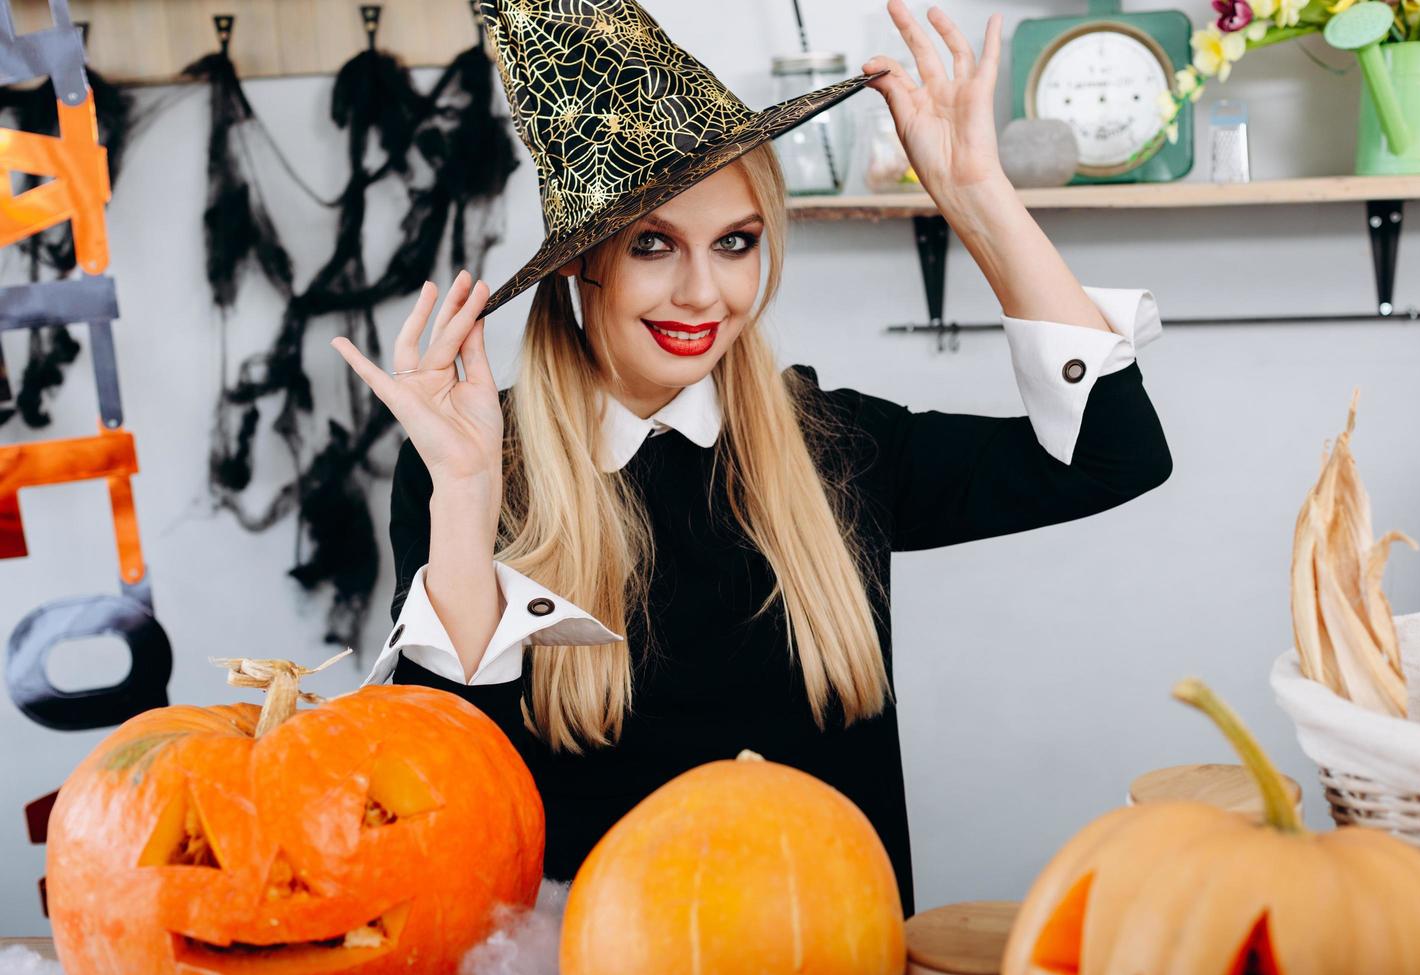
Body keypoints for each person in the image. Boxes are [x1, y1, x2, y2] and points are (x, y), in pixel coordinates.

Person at [331, 0, 1171, 918]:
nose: (704, 292)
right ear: (581, 262)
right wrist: (461, 491)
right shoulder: (478, 464)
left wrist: (978, 197)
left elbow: (1114, 455)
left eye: (736, 242)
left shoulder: (840, 448)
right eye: (653, 243)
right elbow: (442, 777)